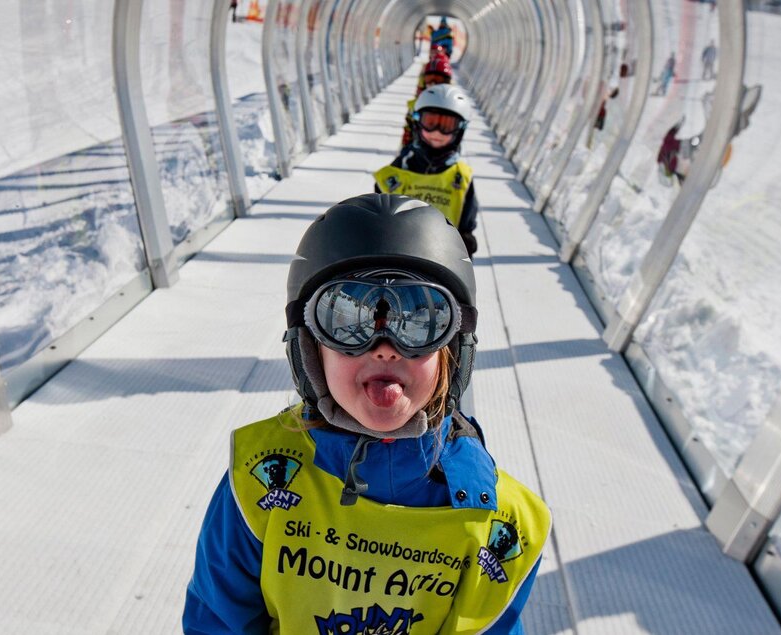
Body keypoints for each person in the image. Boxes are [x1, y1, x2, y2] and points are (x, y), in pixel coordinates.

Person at [183, 194, 551, 634]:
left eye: (419, 321)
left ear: (452, 350)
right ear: (310, 348)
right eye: (348, 319)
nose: (385, 346)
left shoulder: (502, 525)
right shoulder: (260, 478)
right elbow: (218, 621)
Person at [374, 85, 480, 256]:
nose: (437, 132)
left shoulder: (462, 177)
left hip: (443, 257)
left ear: (459, 129)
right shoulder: (394, 174)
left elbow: (467, 220)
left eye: (446, 125)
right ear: (417, 122)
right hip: (397, 255)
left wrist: (465, 239)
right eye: (430, 123)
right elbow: (376, 215)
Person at [403, 55, 453, 146]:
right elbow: (408, 129)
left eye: (439, 80)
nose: (433, 83)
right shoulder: (415, 105)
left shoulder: (453, 107)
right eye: (429, 79)